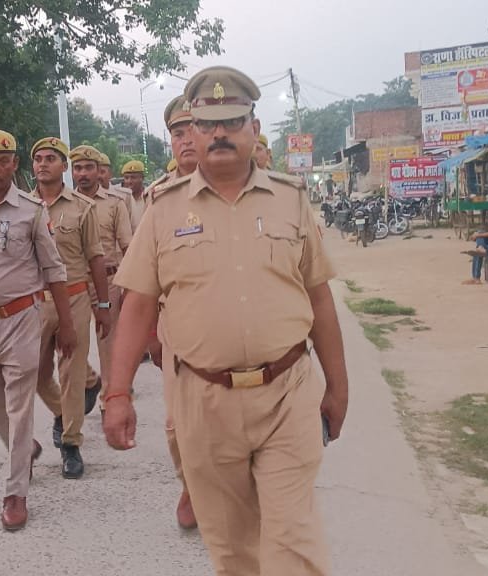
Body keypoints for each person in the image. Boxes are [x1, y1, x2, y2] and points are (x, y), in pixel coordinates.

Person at [103, 65, 350, 576]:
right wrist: (117, 393)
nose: (219, 133)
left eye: (233, 122)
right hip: (203, 401)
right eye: (207, 124)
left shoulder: (290, 199)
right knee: (234, 553)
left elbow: (319, 297)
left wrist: (338, 385)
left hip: (286, 394)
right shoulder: (163, 209)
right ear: (190, 133)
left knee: (293, 548)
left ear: (253, 129)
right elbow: (139, 304)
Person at [0, 130, 75, 531]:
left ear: (14, 164)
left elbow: (54, 270)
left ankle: (16, 493)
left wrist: (66, 325)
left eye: (1, 161)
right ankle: (24, 448)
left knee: (18, 406)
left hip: (21, 321)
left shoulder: (31, 211)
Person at [30, 137, 113, 480]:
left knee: (70, 373)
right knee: (34, 373)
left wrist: (103, 304)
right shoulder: (22, 206)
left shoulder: (82, 208)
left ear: (63, 166)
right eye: (38, 158)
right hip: (35, 302)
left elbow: (96, 258)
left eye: (51, 158)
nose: (43, 164)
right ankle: (67, 410)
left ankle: (71, 444)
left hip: (76, 297)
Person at [144, 94, 201, 531]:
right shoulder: (158, 198)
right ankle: (191, 485)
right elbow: (146, 273)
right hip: (176, 325)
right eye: (177, 133)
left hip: (227, 324)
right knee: (175, 424)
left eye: (193, 130)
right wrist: (149, 333)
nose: (186, 140)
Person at [76, 146, 133, 412]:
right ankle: (90, 381)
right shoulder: (66, 203)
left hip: (109, 282)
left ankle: (109, 398)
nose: (83, 173)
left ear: (99, 171)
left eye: (89, 168)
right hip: (75, 283)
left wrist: (130, 288)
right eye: (78, 168)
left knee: (107, 342)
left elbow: (127, 246)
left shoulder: (114, 203)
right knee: (70, 340)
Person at [121, 159, 147, 228]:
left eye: (133, 178)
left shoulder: (149, 197)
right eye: (126, 178)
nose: (129, 181)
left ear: (142, 178)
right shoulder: (121, 199)